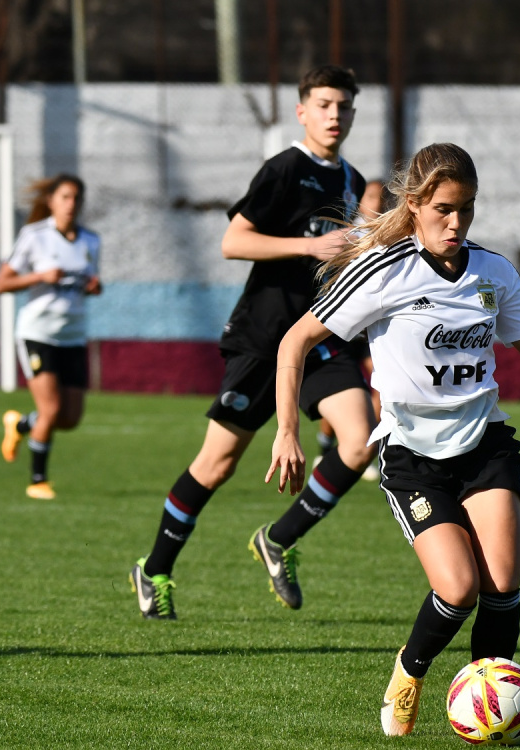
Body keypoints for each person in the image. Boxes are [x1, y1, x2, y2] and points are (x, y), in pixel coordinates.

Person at [265, 143, 520, 737]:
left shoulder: (494, 272)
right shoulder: (384, 270)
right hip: (413, 454)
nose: (456, 223)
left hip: (484, 443)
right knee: (457, 587)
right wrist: (287, 431)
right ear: (413, 206)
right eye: (443, 209)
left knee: (502, 585)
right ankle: (409, 674)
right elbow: (294, 342)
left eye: (466, 209)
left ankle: (493, 715)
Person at [129, 65, 376, 620]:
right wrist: (308, 249)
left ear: (354, 114)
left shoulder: (352, 183)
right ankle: (156, 569)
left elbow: (340, 256)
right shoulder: (285, 168)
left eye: (343, 106)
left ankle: (279, 539)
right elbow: (232, 241)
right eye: (324, 104)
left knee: (361, 440)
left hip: (318, 338)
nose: (334, 114)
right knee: (217, 464)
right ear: (302, 111)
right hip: (264, 338)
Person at [0, 174, 102, 501]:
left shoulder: (90, 241)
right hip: (38, 334)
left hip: (73, 336)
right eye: (65, 197)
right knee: (52, 409)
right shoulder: (34, 236)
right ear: (52, 201)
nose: (71, 204)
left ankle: (20, 425)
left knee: (69, 418)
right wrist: (40, 276)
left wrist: (95, 287)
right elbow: (2, 284)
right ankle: (37, 480)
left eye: (76, 198)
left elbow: (90, 283)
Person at [313, 179, 390, 480]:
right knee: (345, 389)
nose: (378, 203)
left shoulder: (388, 235)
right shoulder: (349, 235)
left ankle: (367, 447)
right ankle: (325, 448)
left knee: (379, 386)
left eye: (382, 198)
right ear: (360, 201)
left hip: (372, 329)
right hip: (344, 328)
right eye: (372, 196)